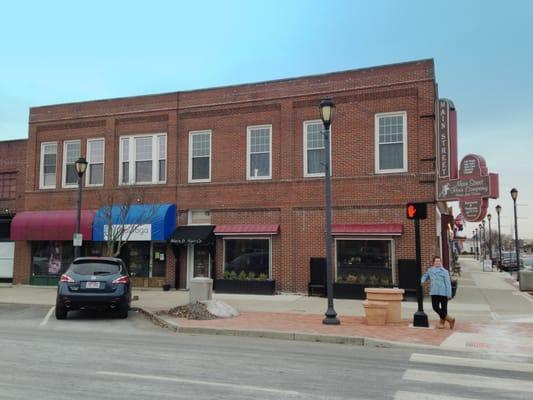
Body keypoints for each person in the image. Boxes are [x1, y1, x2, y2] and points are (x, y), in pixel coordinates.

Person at [421, 256, 455, 329]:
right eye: (436, 261)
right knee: (435, 307)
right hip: (434, 292)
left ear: (440, 262)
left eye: (439, 261)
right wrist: (422, 281)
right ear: (433, 262)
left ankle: (442, 324)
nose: (438, 262)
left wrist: (449, 293)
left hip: (443, 293)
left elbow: (448, 283)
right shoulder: (430, 270)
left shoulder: (444, 271)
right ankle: (450, 319)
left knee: (444, 309)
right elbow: (425, 276)